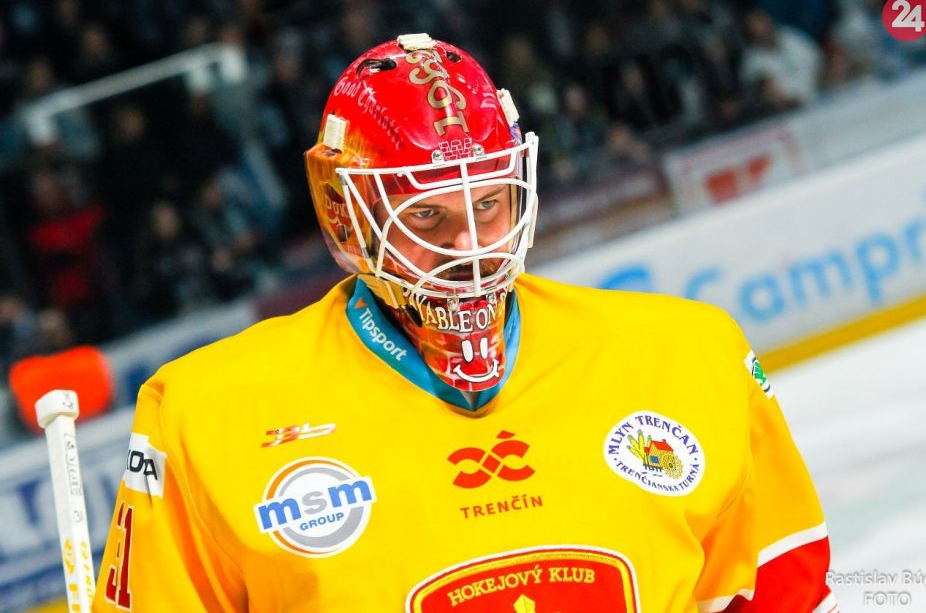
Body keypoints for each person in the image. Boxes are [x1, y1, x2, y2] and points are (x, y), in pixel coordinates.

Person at [94, 33, 835, 612]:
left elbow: (785, 591)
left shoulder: (690, 355)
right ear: (347, 216)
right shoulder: (205, 415)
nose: (470, 247)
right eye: (426, 216)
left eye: (487, 203)